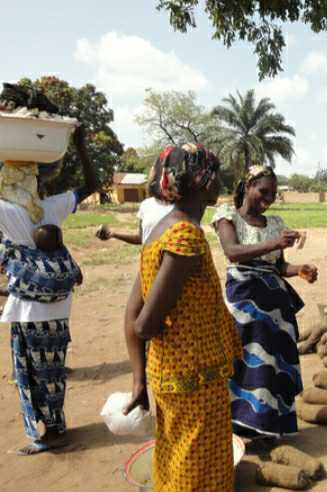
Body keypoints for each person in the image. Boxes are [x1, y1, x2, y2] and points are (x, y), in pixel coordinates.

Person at [123, 143, 240, 490]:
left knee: (176, 458)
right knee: (198, 469)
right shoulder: (186, 234)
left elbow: (131, 310)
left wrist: (139, 380)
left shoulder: (158, 230)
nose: (220, 183)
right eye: (216, 175)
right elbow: (143, 322)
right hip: (193, 378)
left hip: (171, 375)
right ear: (203, 183)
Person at [0, 126, 99, 455]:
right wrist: (81, 146)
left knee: (29, 371)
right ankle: (54, 427)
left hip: (28, 309)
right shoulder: (50, 207)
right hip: (57, 308)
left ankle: (53, 432)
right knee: (51, 372)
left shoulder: (7, 211)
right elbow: (92, 185)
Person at [212, 165, 316, 438]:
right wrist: (275, 244)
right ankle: (241, 424)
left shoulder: (276, 224)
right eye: (263, 191)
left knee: (275, 364)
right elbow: (233, 252)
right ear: (248, 186)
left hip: (277, 309)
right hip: (244, 304)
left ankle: (271, 425)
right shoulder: (227, 216)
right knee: (245, 360)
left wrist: (301, 269)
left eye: (273, 193)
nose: (268, 198)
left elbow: (279, 267)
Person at [96, 163, 173, 245]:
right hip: (149, 257)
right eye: (155, 176)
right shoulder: (146, 205)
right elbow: (140, 238)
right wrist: (113, 234)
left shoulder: (179, 206)